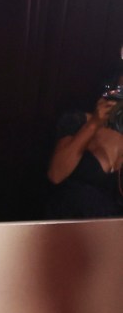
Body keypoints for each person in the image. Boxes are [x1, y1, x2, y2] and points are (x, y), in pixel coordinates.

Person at [45, 65, 123, 220]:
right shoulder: (78, 121)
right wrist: (94, 124)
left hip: (110, 235)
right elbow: (56, 174)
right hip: (67, 228)